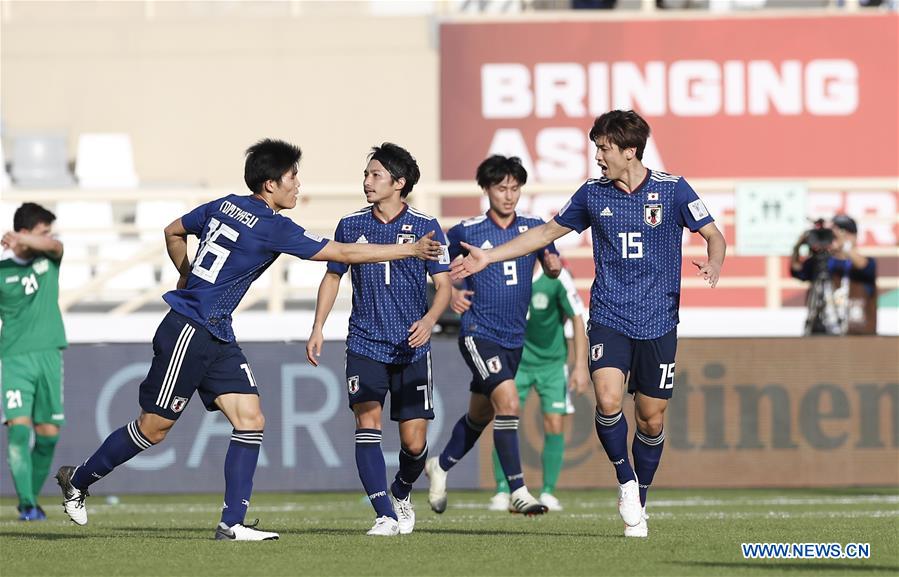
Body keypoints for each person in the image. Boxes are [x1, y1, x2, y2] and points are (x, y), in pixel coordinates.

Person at [55, 139, 443, 541]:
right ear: (271, 184)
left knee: (251, 420)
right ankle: (79, 479)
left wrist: (186, 273)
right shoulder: (272, 226)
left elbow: (173, 230)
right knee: (154, 428)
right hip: (190, 329)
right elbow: (342, 252)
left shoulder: (224, 204)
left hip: (216, 330)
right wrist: (408, 249)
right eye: (293, 178)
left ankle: (232, 523)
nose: (297, 186)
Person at [450, 110, 726, 538]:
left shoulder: (672, 190)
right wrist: (492, 254)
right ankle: (626, 483)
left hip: (659, 320)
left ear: (629, 151)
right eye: (596, 147)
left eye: (604, 148)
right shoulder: (592, 195)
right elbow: (544, 234)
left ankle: (641, 496)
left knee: (651, 419)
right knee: (609, 399)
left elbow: (714, 235)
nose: (597, 156)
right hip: (610, 315)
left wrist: (713, 262)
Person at [305, 143, 452, 536]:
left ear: (399, 183)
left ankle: (401, 491)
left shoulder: (426, 226)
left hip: (411, 345)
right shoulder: (350, 225)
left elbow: (443, 285)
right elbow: (333, 276)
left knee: (414, 442)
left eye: (376, 175)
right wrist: (318, 326)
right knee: (366, 421)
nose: (367, 181)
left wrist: (431, 319)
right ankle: (384, 514)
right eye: (367, 174)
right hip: (365, 342)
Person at [425, 154, 562, 517]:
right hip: (478, 332)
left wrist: (552, 266)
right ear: (486, 189)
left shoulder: (533, 227)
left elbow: (552, 265)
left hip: (515, 337)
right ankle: (518, 489)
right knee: (510, 402)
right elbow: (429, 264)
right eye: (501, 188)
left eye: (515, 188)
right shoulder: (466, 231)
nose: (509, 195)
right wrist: (448, 292)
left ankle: (439, 465)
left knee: (481, 415)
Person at [485, 264, 590, 512]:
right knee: (505, 420)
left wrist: (580, 366)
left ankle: (548, 492)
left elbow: (577, 316)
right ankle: (503, 490)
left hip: (552, 364)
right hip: (516, 361)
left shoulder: (557, 276)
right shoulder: (508, 272)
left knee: (554, 422)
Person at [1, 203, 66, 521]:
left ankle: (32, 498)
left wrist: (28, 241)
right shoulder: (1, 272)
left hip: (49, 356)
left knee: (48, 434)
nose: (49, 237)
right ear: (24, 232)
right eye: (42, 231)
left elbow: (55, 245)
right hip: (14, 359)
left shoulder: (49, 258)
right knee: (17, 430)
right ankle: (27, 504)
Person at [790, 214, 877, 335]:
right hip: (824, 333)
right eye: (835, 232)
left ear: (855, 237)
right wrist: (798, 246)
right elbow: (796, 271)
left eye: (846, 232)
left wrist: (844, 246)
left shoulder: (865, 263)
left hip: (858, 336)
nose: (840, 236)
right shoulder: (820, 262)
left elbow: (865, 267)